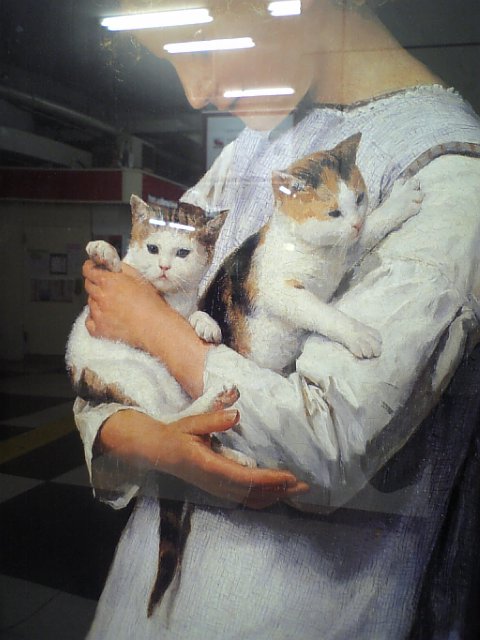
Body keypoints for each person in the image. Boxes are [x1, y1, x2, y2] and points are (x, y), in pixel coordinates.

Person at [75, 0, 480, 637]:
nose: (196, 91)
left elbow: (326, 444)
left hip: (287, 611)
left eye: (199, 40)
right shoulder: (253, 147)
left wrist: (156, 330)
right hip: (145, 599)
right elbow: (108, 336)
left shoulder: (451, 174)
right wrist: (149, 440)